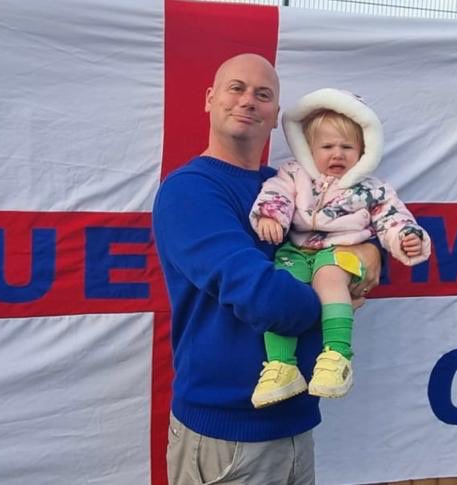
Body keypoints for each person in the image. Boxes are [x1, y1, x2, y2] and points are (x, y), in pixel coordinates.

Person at [152, 53, 381, 485]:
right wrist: (336, 297)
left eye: (263, 95)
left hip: (296, 421)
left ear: (277, 116)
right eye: (235, 88)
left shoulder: (291, 185)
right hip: (226, 433)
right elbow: (268, 300)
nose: (248, 101)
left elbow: (351, 234)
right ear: (209, 99)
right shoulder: (190, 192)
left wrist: (372, 255)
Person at [248, 88, 432, 409]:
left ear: (363, 151)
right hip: (297, 251)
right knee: (280, 285)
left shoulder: (371, 189)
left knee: (329, 275)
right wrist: (270, 215)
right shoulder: (294, 174)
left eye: (347, 147)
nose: (337, 154)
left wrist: (405, 237)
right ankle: (281, 365)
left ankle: (336, 355)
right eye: (328, 146)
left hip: (343, 251)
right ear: (309, 148)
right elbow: (275, 192)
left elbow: (392, 217)